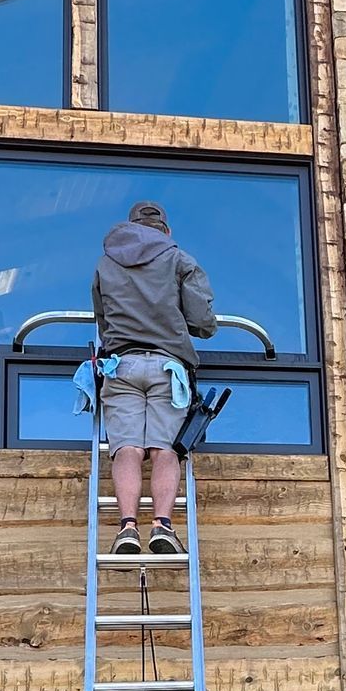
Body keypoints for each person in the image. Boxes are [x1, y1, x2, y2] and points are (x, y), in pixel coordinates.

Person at [91, 200, 216, 555]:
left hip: (121, 366)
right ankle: (161, 525)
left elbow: (103, 320)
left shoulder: (105, 262)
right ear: (166, 230)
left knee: (126, 449)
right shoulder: (179, 259)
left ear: (129, 227)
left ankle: (127, 527)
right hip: (167, 366)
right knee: (165, 450)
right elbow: (202, 322)